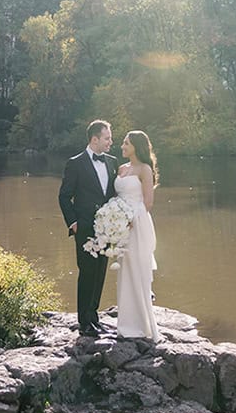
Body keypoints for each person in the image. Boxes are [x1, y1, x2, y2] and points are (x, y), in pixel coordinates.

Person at [58, 120, 118, 338]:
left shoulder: (112, 162)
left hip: (108, 228)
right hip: (84, 227)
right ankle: (84, 322)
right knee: (87, 273)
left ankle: (94, 317)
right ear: (95, 139)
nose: (111, 141)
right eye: (107, 138)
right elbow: (64, 196)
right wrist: (73, 223)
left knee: (101, 271)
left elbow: (113, 195)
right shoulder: (75, 163)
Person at [114, 130, 160, 341]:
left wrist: (130, 217)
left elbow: (148, 203)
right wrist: (115, 217)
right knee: (125, 270)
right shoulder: (122, 168)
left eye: (126, 143)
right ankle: (125, 323)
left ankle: (142, 325)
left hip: (138, 223)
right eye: (123, 142)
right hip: (121, 224)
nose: (122, 146)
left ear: (136, 147)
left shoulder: (145, 169)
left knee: (138, 270)